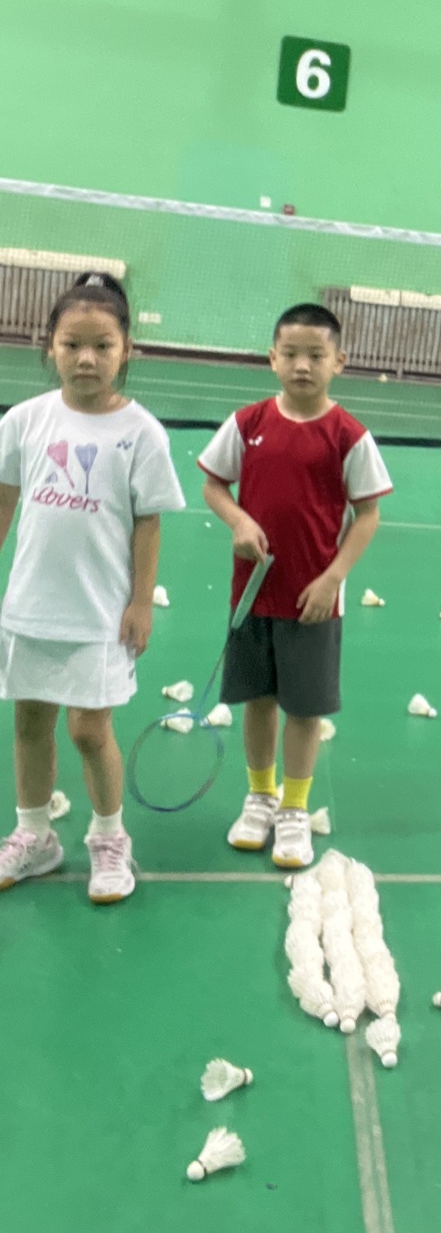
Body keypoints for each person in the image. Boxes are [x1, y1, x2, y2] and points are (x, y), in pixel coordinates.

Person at [0, 273, 185, 902]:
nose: (86, 358)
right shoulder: (25, 420)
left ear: (127, 349)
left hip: (100, 611)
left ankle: (110, 838)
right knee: (30, 721)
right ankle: (35, 836)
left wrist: (140, 602)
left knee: (89, 730)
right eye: (72, 344)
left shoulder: (142, 432)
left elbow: (148, 522)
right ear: (49, 346)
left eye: (102, 346)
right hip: (30, 606)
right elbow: (4, 501)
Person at [199, 302, 391, 870]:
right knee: (258, 700)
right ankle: (260, 797)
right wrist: (238, 521)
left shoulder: (348, 436)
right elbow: (213, 485)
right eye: (290, 354)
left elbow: (368, 515)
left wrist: (333, 579)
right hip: (253, 593)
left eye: (315, 355)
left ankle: (294, 808)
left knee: (304, 710)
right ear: (272, 358)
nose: (302, 365)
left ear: (339, 362)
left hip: (313, 602)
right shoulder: (248, 424)